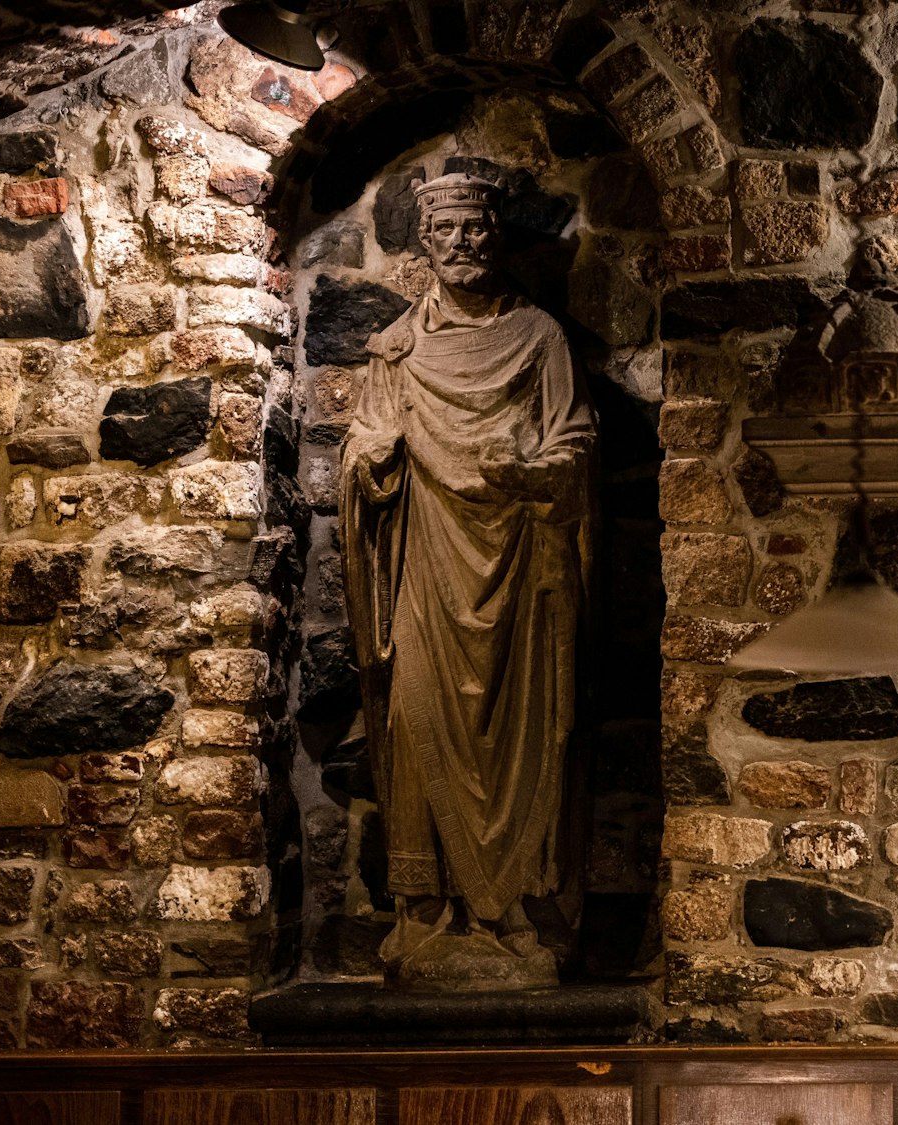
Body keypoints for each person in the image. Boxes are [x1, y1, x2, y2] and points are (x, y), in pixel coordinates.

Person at [341, 172, 595, 989]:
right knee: (417, 721)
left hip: (520, 568)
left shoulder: (540, 340)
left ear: (497, 234)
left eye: (475, 228)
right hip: (427, 564)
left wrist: (531, 468)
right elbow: (363, 449)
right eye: (445, 230)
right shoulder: (396, 351)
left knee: (526, 731)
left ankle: (515, 913)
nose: (462, 243)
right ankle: (428, 914)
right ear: (424, 242)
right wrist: (372, 463)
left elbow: (577, 440)